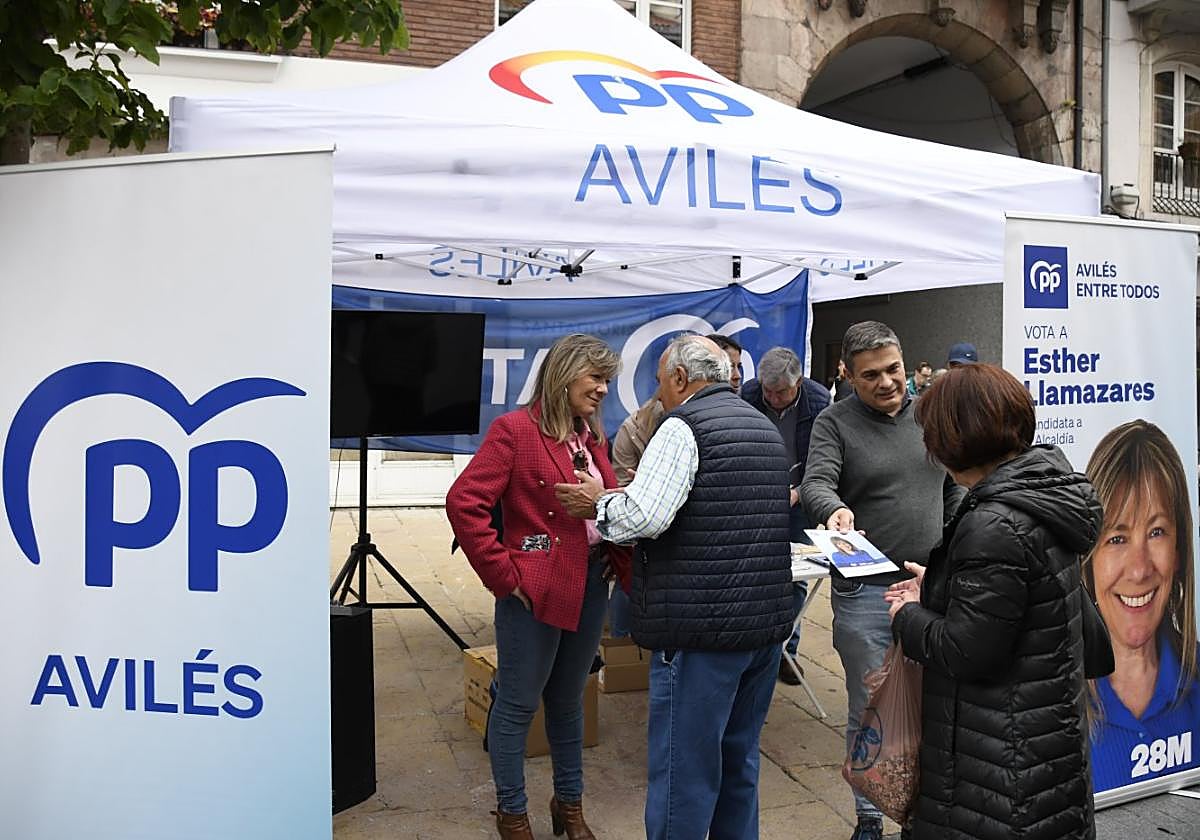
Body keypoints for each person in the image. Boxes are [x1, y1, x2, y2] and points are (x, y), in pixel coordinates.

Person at [554, 334, 793, 840]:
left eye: (661, 381)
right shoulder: (764, 427)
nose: (658, 393)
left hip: (699, 634)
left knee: (685, 772)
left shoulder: (682, 427)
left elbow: (646, 516)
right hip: (764, 629)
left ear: (681, 379)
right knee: (739, 763)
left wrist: (599, 502)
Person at [886, 363, 1101, 840]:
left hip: (999, 766)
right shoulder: (1041, 492)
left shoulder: (994, 522)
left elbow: (968, 649)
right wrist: (942, 587)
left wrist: (907, 616)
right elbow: (1022, 604)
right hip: (1041, 742)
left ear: (953, 440)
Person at [445, 333, 630, 840]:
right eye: (595, 377)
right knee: (519, 703)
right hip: (537, 586)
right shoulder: (514, 431)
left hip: (592, 582)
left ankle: (569, 806)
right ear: (564, 373)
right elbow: (465, 503)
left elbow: (606, 501)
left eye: (607, 380)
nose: (603, 389)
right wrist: (505, 576)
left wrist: (613, 547)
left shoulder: (590, 437)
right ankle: (512, 814)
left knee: (570, 699)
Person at [801, 321, 963, 840]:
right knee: (871, 708)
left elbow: (954, 486)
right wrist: (836, 509)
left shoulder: (934, 415)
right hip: (866, 592)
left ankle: (929, 811)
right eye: (871, 375)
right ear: (847, 374)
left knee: (936, 703)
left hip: (930, 587)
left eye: (893, 369)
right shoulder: (834, 422)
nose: (888, 382)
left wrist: (961, 536)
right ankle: (870, 817)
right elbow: (816, 482)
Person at [1083, 419, 1200, 793]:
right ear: (1087, 559)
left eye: (1156, 532)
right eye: (1117, 537)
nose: (1139, 568)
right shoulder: (1046, 703)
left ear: (1179, 550)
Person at [741, 346, 831, 685]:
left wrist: (797, 492)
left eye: (781, 392)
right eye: (768, 390)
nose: (773, 398)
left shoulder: (819, 402)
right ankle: (755, 645)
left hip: (798, 497)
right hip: (755, 497)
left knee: (794, 576)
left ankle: (786, 653)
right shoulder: (749, 394)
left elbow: (823, 459)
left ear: (798, 383)